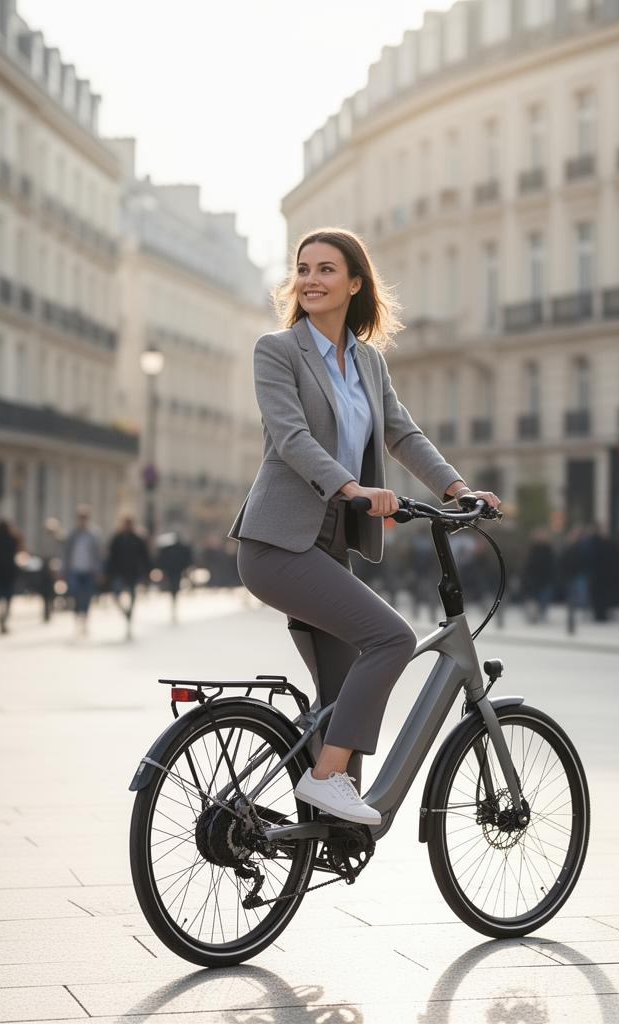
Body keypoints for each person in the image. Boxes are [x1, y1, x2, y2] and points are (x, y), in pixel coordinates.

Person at [228, 227, 500, 825]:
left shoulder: (369, 362)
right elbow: (290, 437)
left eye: (326, 269)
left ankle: (323, 825)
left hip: (329, 545)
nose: (311, 280)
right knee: (394, 639)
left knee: (341, 693)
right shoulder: (277, 351)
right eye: (303, 269)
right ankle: (325, 781)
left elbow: (402, 433)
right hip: (278, 542)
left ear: (355, 284)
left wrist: (457, 489)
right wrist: (351, 489)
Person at [107, 516, 150, 638]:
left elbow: (145, 557)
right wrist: (109, 573)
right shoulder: (117, 539)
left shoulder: (137, 539)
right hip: (119, 573)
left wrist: (147, 572)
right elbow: (111, 557)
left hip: (133, 573)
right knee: (116, 596)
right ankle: (126, 613)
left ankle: (129, 617)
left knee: (132, 597)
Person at [63, 505, 103, 635]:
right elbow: (66, 553)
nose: (82, 520)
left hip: (89, 571)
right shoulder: (73, 534)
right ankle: (76, 617)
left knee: (87, 596)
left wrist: (98, 570)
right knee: (75, 595)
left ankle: (84, 619)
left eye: (84, 517)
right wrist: (64, 570)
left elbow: (98, 554)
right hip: (74, 570)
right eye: (80, 517)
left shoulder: (93, 534)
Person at [156, 532, 194, 624]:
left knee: (173, 587)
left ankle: (174, 599)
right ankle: (174, 598)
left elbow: (162, 559)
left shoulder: (169, 549)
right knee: (174, 587)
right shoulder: (179, 548)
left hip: (173, 570)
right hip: (176, 570)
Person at [521, 528, 555, 623]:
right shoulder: (531, 549)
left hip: (546, 579)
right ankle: (535, 616)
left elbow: (553, 564)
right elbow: (527, 565)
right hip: (533, 579)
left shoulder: (549, 549)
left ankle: (541, 614)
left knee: (544, 599)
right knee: (534, 599)